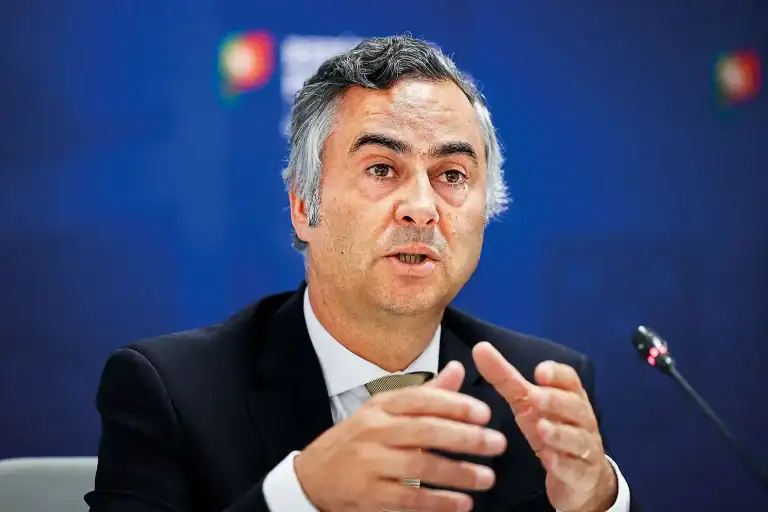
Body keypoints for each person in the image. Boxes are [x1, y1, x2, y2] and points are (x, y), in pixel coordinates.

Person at [85, 35, 639, 512]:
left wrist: (597, 500)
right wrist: (302, 494)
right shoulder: (172, 391)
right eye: (381, 168)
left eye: (451, 174)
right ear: (303, 205)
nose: (421, 207)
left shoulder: (540, 390)